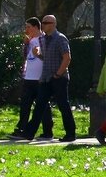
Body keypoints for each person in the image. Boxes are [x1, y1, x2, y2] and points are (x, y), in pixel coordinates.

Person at [24, 14, 77, 142]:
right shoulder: (43, 40)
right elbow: (47, 59)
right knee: (40, 105)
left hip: (59, 78)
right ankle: (29, 132)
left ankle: (70, 134)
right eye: (43, 22)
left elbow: (67, 58)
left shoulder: (60, 39)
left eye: (46, 22)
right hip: (46, 78)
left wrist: (58, 74)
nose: (43, 24)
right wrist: (38, 55)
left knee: (63, 105)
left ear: (53, 24)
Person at [10, 17, 50, 140]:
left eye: (28, 27)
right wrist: (26, 44)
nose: (26, 30)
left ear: (36, 27)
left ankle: (47, 131)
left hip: (39, 78)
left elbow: (46, 57)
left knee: (42, 106)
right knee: (25, 105)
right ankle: (21, 128)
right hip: (28, 77)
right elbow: (26, 57)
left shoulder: (43, 40)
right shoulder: (30, 41)